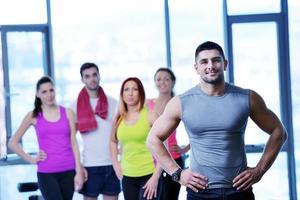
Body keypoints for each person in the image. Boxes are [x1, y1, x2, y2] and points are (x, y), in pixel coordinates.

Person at [146, 41, 287, 200]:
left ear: (225, 64)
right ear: (196, 68)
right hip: (200, 192)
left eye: (216, 60)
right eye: (204, 61)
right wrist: (178, 173)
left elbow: (279, 132)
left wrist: (259, 170)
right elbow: (153, 139)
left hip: (239, 190)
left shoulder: (247, 98)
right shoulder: (181, 102)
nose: (210, 65)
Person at [9, 76, 84, 200]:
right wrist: (31, 159)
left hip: (69, 170)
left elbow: (74, 143)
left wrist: (79, 170)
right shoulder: (33, 115)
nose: (49, 94)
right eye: (44, 92)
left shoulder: (68, 112)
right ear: (38, 94)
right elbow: (13, 143)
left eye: (51, 90)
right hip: (47, 173)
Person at [71, 62, 121, 200]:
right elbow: (71, 139)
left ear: (99, 76)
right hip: (89, 166)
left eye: (94, 75)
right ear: (82, 80)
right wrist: (79, 167)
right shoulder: (74, 106)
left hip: (112, 164)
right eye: (87, 76)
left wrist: (120, 159)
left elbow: (120, 134)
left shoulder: (113, 103)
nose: (92, 79)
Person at [110, 77, 161, 200]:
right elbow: (112, 141)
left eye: (135, 89)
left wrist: (155, 177)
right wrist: (115, 163)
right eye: (126, 89)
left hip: (148, 174)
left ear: (140, 92)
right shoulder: (118, 118)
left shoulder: (151, 115)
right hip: (127, 176)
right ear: (122, 94)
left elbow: (164, 147)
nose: (130, 93)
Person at [146, 67, 190, 200]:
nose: (162, 82)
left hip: (173, 159)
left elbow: (197, 128)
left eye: (166, 79)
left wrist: (185, 148)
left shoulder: (178, 103)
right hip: (149, 161)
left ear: (173, 82)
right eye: (158, 79)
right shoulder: (147, 104)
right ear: (155, 82)